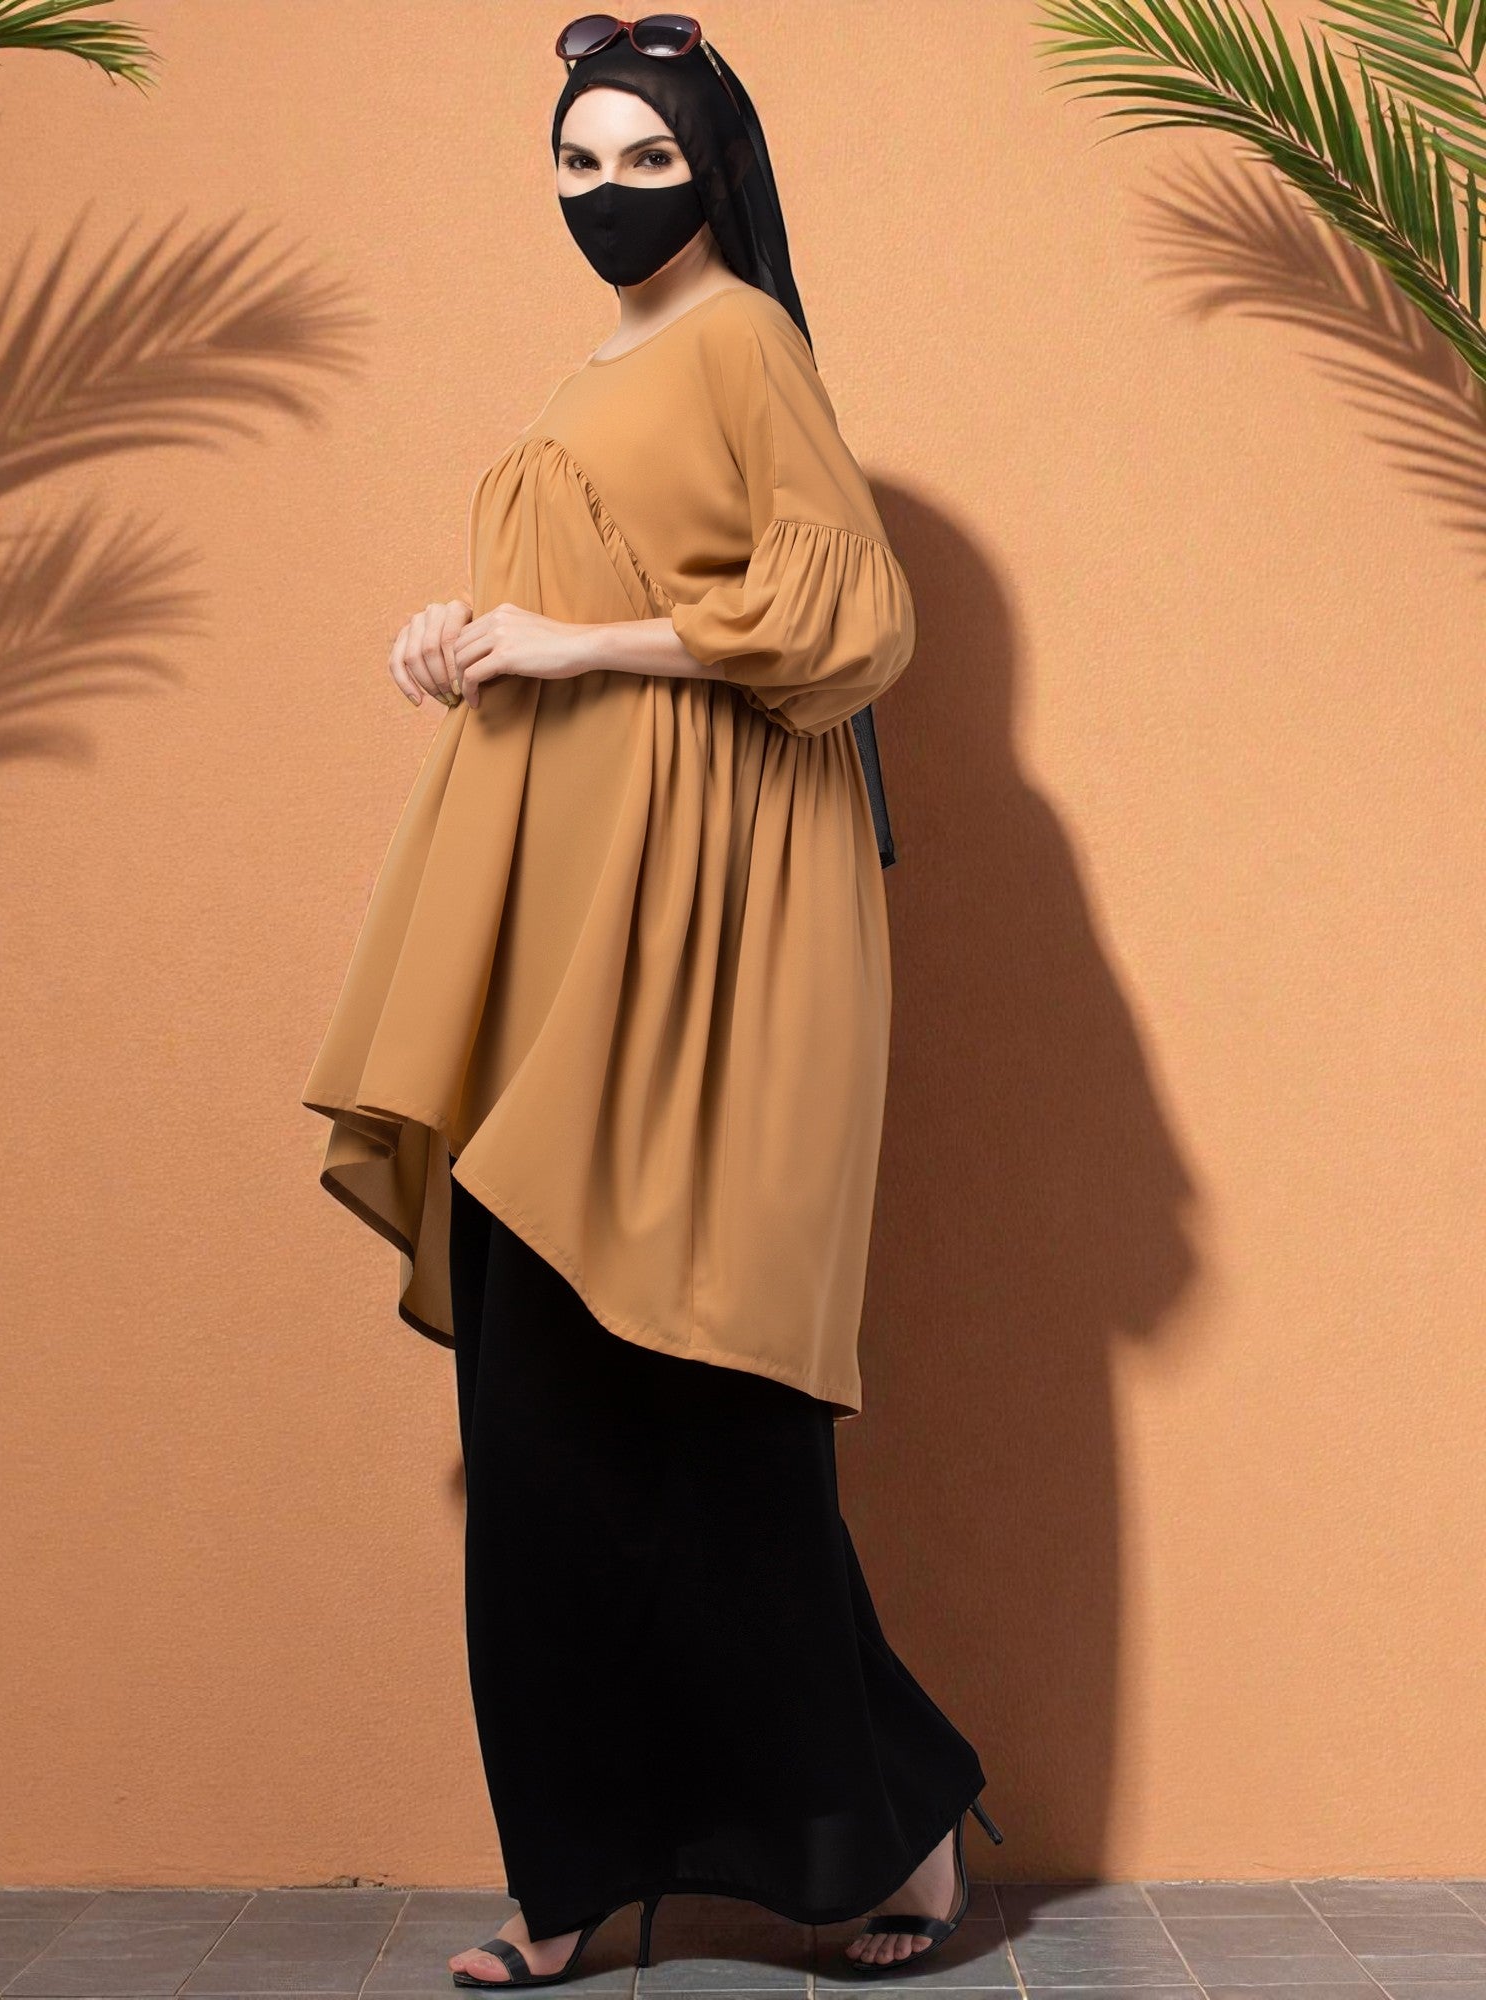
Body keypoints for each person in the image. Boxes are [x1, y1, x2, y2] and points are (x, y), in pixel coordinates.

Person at [300, 12, 1003, 1988]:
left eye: (641, 159)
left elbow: (846, 611)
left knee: (702, 1415)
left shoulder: (743, 341)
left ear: (713, 166)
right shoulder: (592, 371)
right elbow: (576, 608)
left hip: (699, 925)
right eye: (575, 161)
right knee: (539, 1427)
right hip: (557, 914)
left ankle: (883, 1841)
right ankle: (576, 1873)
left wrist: (577, 642)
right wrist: (462, 635)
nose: (603, 194)